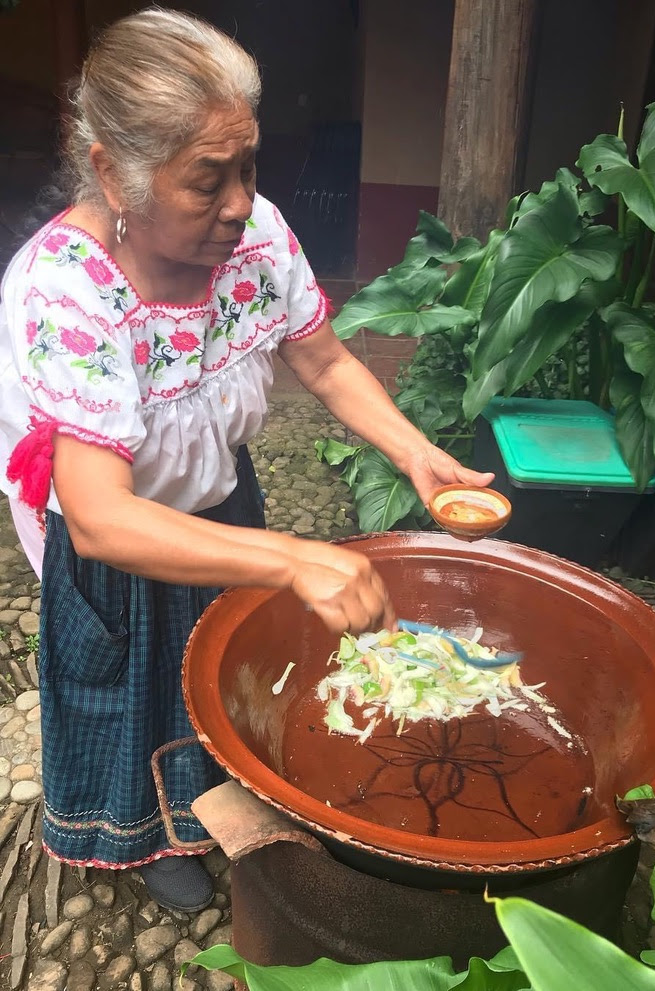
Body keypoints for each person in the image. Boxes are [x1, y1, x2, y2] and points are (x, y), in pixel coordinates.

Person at [0, 8, 493, 912]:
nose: (239, 203)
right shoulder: (62, 292)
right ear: (115, 172)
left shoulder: (255, 238)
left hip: (221, 501)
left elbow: (325, 359)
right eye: (205, 180)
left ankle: (212, 807)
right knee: (126, 693)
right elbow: (104, 518)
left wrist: (415, 451)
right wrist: (297, 557)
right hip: (122, 538)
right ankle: (137, 834)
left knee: (225, 672)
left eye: (248, 167)